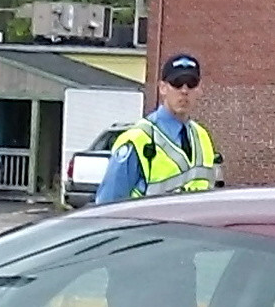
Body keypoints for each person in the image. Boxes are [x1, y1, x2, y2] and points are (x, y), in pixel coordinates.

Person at [94, 54, 222, 204]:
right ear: (162, 88)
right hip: (146, 227)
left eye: (191, 84)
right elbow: (108, 204)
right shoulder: (138, 140)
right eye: (177, 83)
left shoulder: (203, 137)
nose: (184, 91)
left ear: (199, 89)